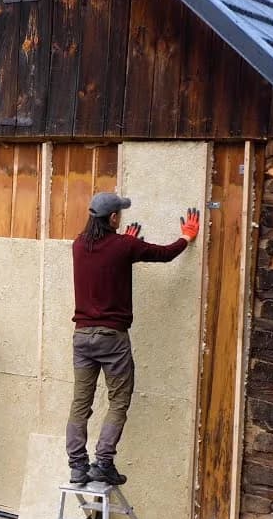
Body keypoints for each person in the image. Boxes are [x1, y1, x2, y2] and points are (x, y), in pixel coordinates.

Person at [67, 192, 200, 485]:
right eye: (119, 214)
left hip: (82, 337)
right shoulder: (123, 246)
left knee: (81, 402)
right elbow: (164, 254)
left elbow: (107, 259)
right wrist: (186, 238)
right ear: (113, 218)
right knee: (118, 400)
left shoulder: (79, 245)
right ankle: (103, 462)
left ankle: (77, 466)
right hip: (111, 339)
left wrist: (125, 242)